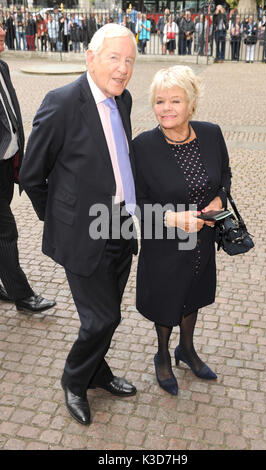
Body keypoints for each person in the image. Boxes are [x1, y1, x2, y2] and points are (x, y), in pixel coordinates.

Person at [19, 23, 138, 426]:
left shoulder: (123, 101)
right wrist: (61, 220)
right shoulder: (63, 102)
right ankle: (74, 379)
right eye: (114, 58)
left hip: (120, 225)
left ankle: (96, 370)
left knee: (111, 313)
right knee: (100, 318)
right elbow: (32, 175)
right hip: (83, 234)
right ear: (90, 57)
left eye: (129, 60)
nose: (122, 69)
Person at [133, 66, 231, 395]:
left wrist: (219, 197)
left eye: (176, 100)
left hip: (202, 239)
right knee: (166, 300)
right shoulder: (143, 146)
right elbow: (135, 204)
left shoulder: (211, 133)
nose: (167, 108)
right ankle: (162, 353)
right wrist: (175, 219)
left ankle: (186, 349)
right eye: (160, 101)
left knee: (194, 296)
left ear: (191, 103)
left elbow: (225, 175)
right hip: (165, 243)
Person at [0, 24, 56, 314]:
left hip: (7, 166)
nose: (1, 31)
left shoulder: (3, 67)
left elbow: (11, 116)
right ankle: (22, 295)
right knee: (5, 232)